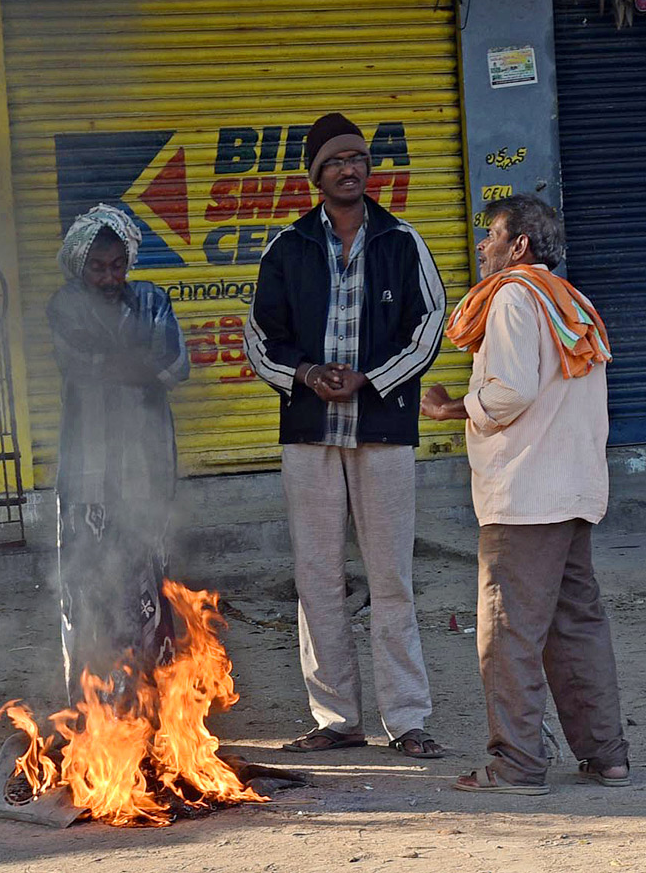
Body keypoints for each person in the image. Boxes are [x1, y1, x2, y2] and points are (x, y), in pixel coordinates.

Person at [244, 112, 447, 758]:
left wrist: (371, 379)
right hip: (308, 433)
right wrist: (304, 373)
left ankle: (407, 720)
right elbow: (258, 337)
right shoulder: (287, 246)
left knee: (390, 579)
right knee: (318, 577)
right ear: (315, 175)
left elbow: (430, 325)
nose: (349, 168)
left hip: (383, 429)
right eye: (335, 161)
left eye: (357, 157)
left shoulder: (402, 239)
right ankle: (336, 720)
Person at [420, 194, 627, 795]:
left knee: (508, 632)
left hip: (526, 497)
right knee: (576, 626)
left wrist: (451, 408)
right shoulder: (572, 301)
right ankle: (607, 757)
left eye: (492, 235)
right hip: (571, 493)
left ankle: (516, 765)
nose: (482, 246)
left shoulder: (514, 296)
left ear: (520, 247)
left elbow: (509, 393)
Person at [46, 204, 190, 706]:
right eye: (98, 267)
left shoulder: (153, 299)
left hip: (146, 474)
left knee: (148, 584)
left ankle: (151, 705)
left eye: (116, 265)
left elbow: (174, 365)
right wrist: (137, 362)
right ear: (79, 267)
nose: (109, 277)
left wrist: (129, 364)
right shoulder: (64, 306)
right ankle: (91, 710)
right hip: (86, 477)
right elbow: (87, 366)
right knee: (86, 589)